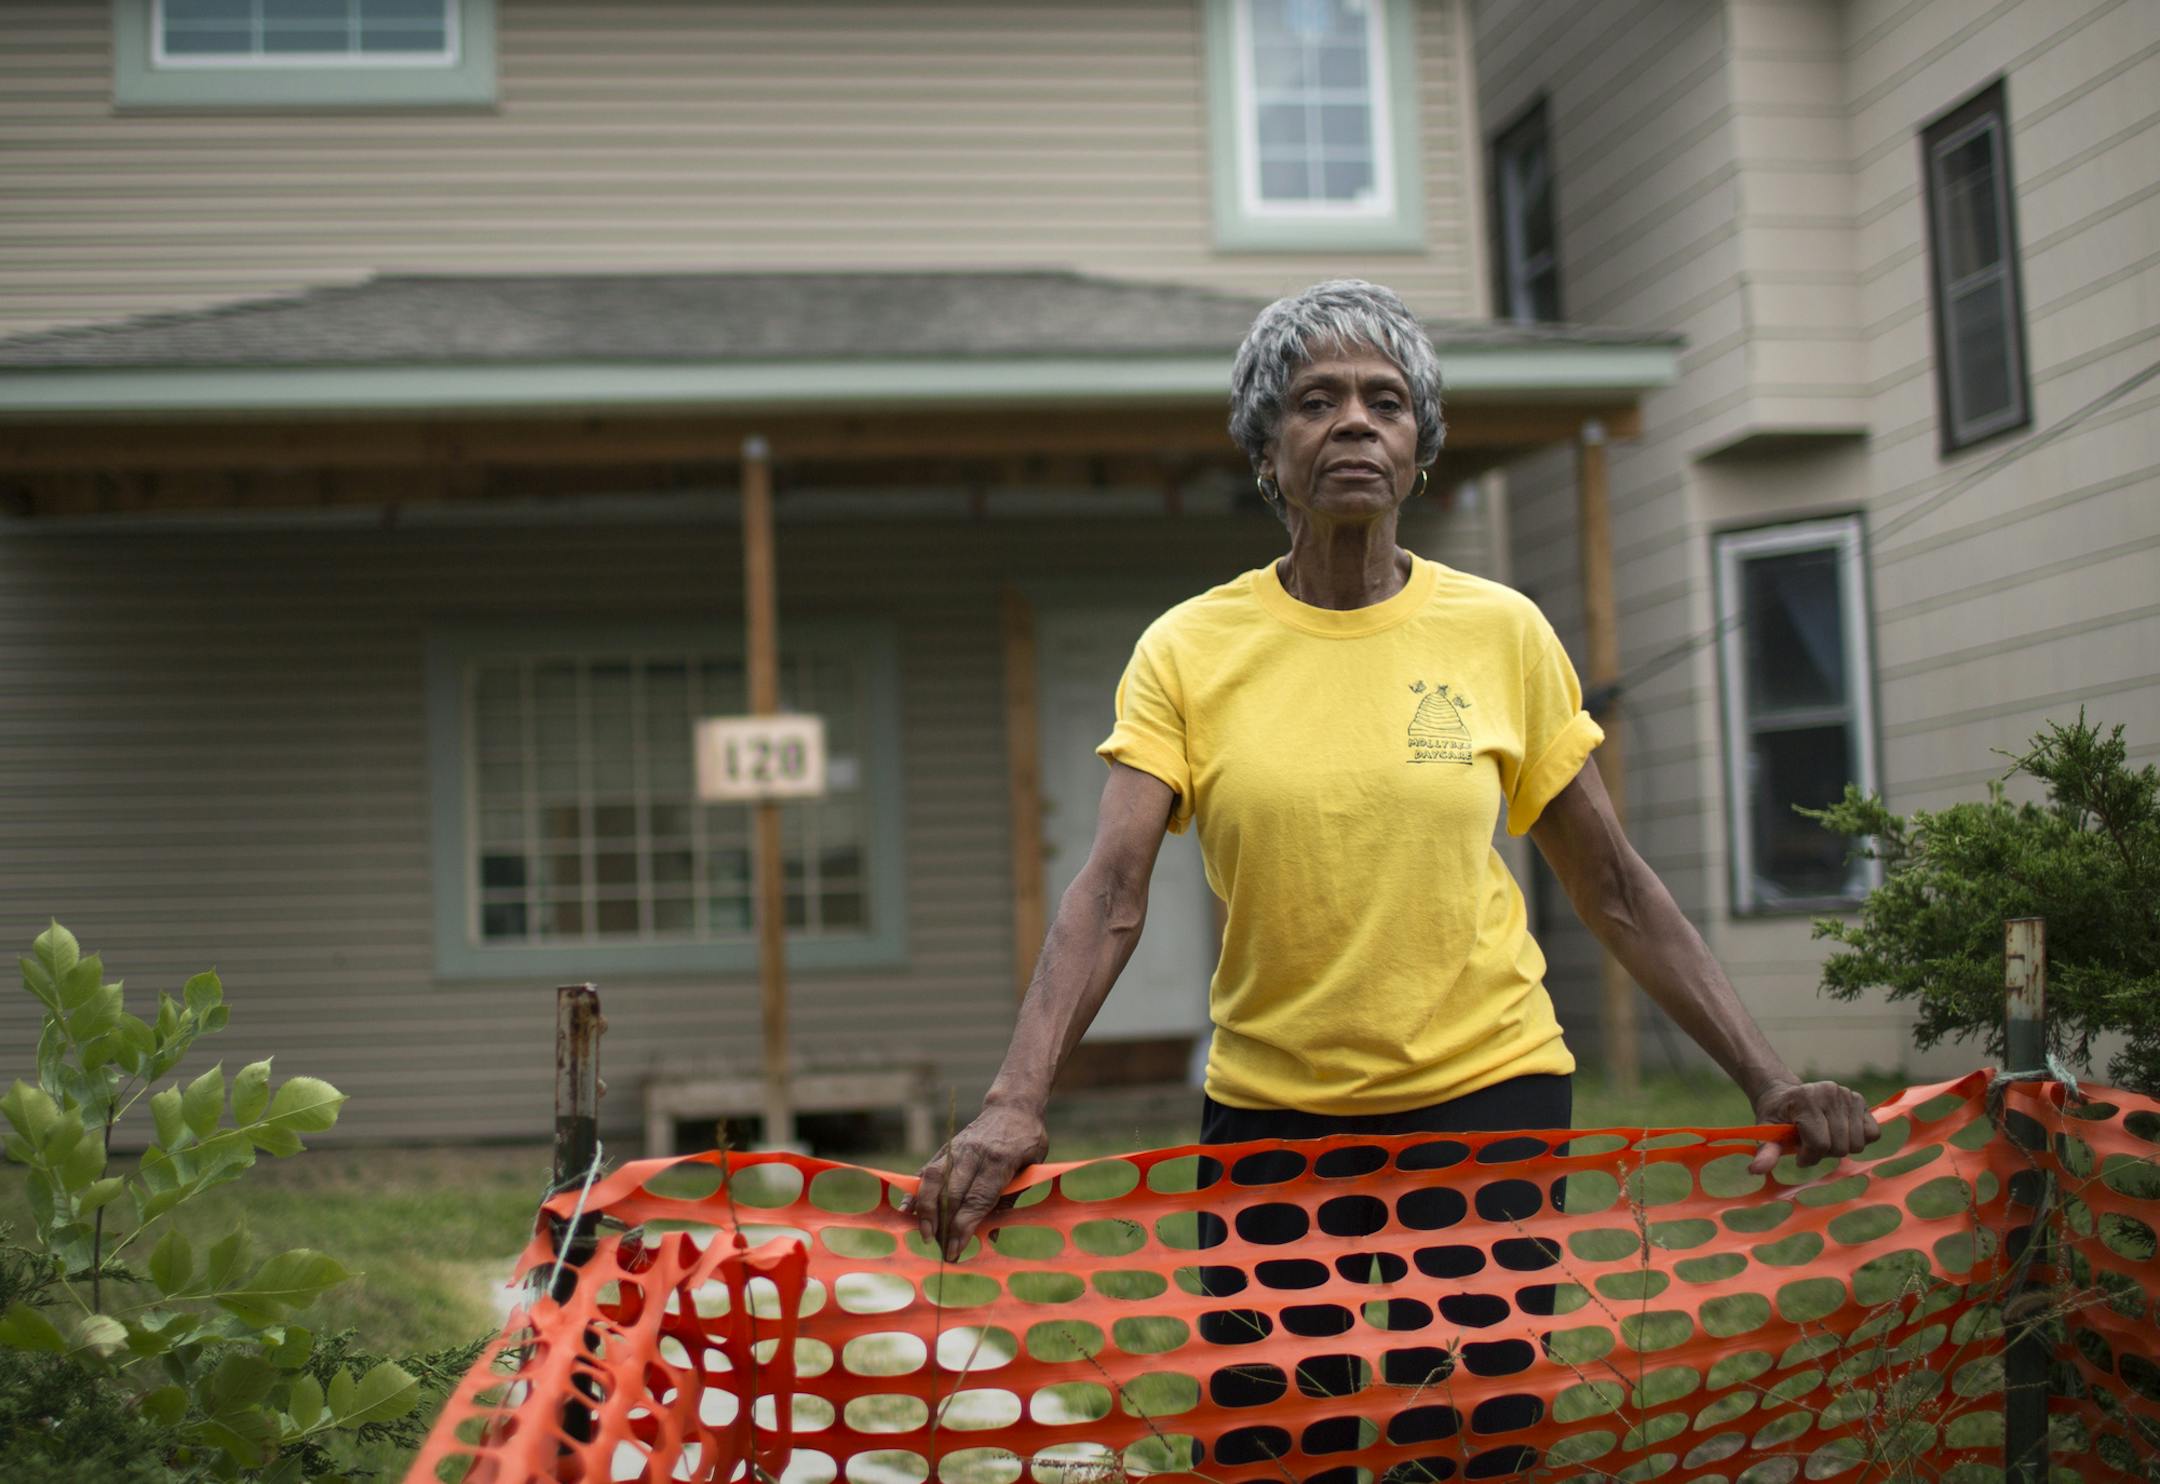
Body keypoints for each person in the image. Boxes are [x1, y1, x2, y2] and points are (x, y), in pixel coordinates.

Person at [903, 279, 1879, 1464]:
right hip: (1275, 1112)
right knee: (1269, 1442)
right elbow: (1110, 891)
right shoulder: (1190, 648)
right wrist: (1016, 1096)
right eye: (1317, 401)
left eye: (1387, 400)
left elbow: (1614, 884)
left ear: (1421, 447)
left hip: (1488, 1097)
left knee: (1467, 1438)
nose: (1356, 422)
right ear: (1269, 449)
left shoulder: (1501, 631)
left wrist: (1769, 1078)